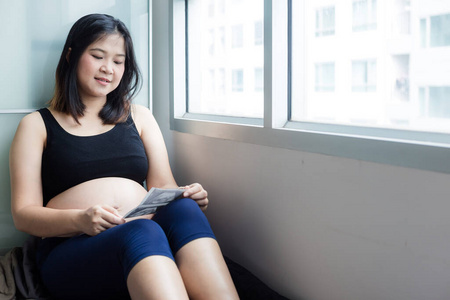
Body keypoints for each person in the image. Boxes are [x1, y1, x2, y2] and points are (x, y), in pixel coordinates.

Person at [9, 13, 239, 300]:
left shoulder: (139, 116)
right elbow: (23, 216)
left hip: (139, 228)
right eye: (97, 56)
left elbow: (163, 186)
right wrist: (80, 220)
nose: (108, 68)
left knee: (184, 210)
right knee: (142, 231)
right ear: (71, 55)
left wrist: (185, 194)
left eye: (119, 61)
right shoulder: (37, 125)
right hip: (69, 249)